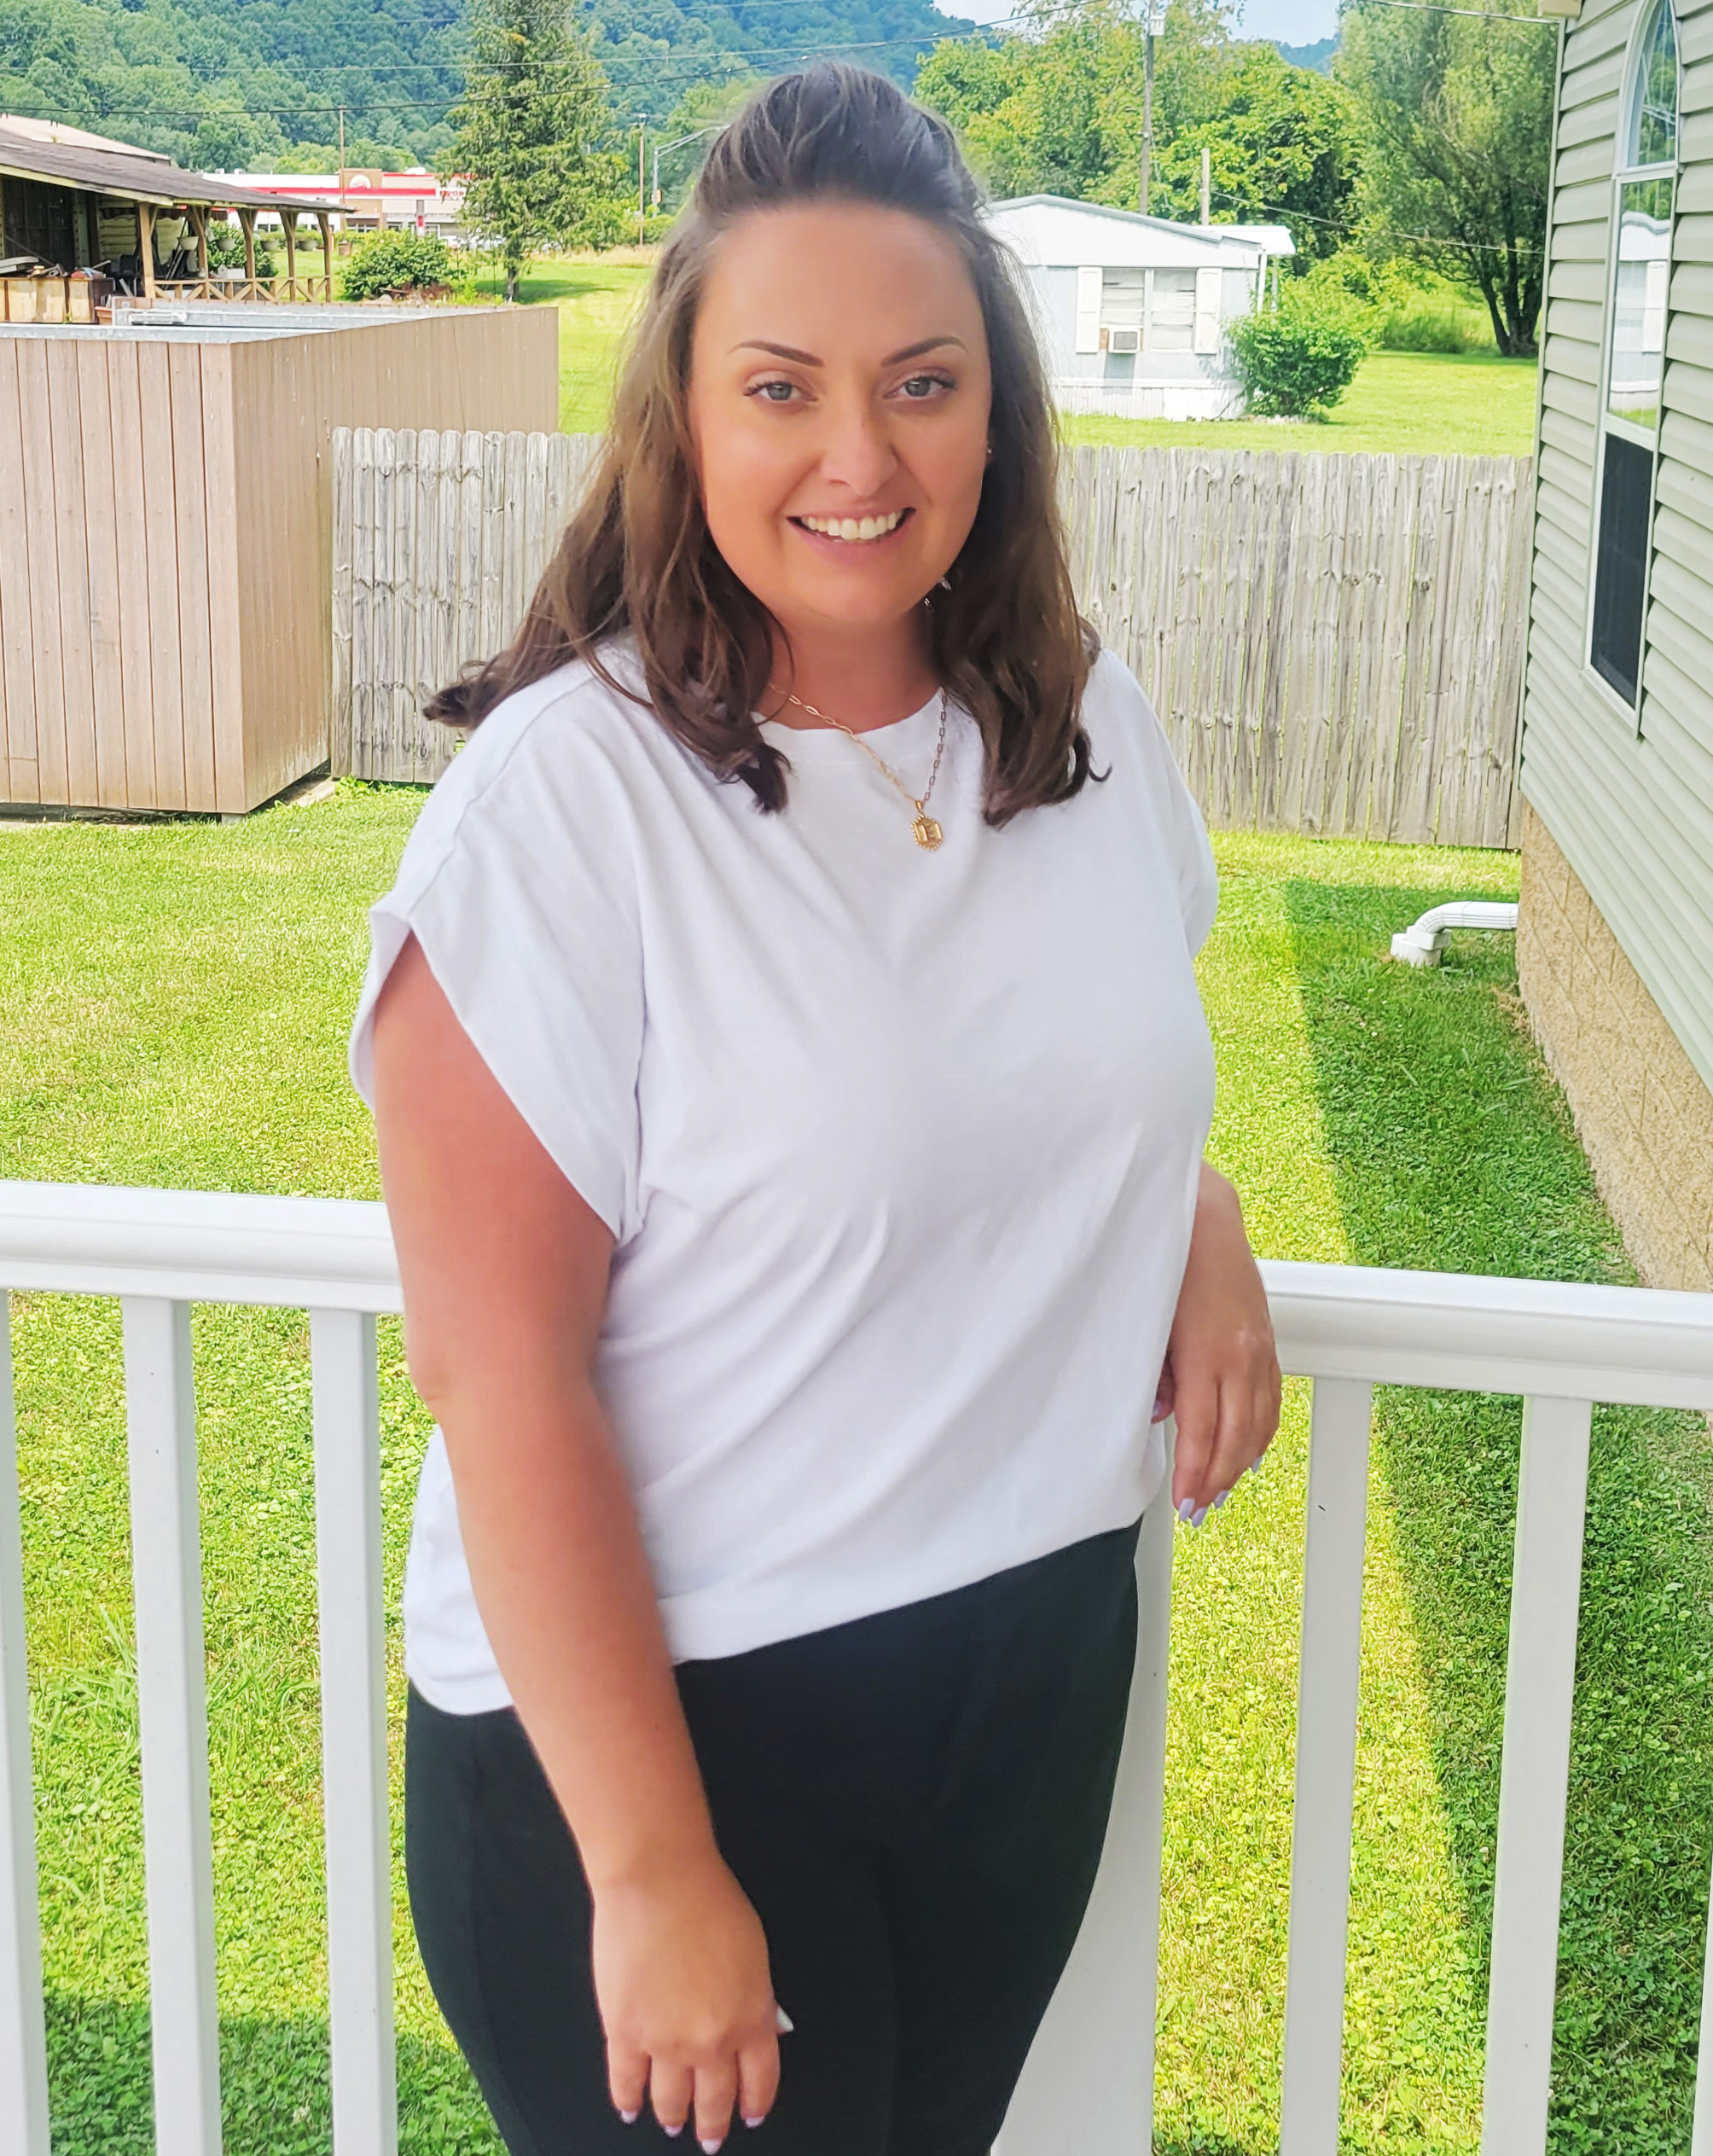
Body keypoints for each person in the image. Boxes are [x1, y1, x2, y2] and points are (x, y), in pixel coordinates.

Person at [348, 61, 1282, 2156]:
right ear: (689, 415)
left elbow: (1069, 1043)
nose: (859, 454)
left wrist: (1189, 1205)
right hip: (670, 1738)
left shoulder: (1083, 718)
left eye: (924, 382)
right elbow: (506, 1388)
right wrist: (657, 1871)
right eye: (782, 387)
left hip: (1021, 1679)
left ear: (998, 413)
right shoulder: (569, 804)